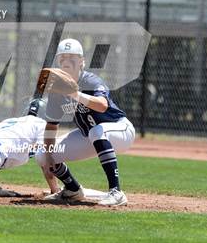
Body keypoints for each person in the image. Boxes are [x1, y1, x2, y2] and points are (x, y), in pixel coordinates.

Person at [36, 38, 135, 206]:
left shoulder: (91, 80)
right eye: (63, 58)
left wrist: (75, 94)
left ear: (82, 61)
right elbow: (52, 126)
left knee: (96, 131)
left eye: (72, 57)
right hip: (90, 136)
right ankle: (73, 190)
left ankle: (116, 192)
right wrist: (49, 155)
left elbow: (102, 106)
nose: (66, 61)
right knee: (42, 155)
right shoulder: (57, 91)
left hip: (120, 130)